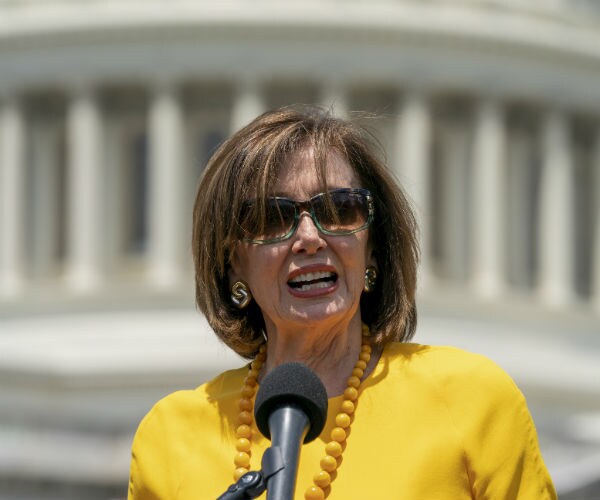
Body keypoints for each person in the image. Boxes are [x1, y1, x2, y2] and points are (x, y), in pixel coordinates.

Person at [127, 106, 557, 499]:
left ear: (372, 249)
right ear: (233, 261)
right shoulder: (170, 436)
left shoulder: (469, 398)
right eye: (272, 218)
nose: (310, 238)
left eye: (340, 209)